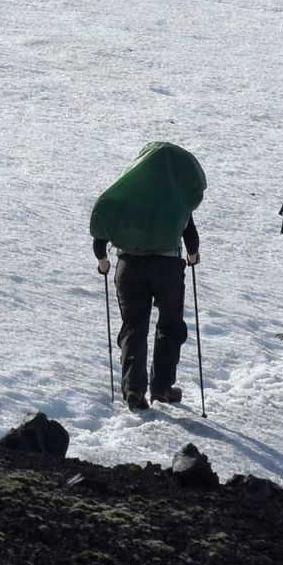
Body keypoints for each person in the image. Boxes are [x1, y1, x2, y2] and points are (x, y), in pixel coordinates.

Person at [88, 140, 208, 410]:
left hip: (128, 267)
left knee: (134, 326)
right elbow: (190, 233)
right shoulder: (175, 195)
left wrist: (103, 261)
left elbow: (100, 236)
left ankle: (133, 389)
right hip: (167, 269)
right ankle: (162, 388)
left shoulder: (128, 191)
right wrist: (193, 256)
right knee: (169, 326)